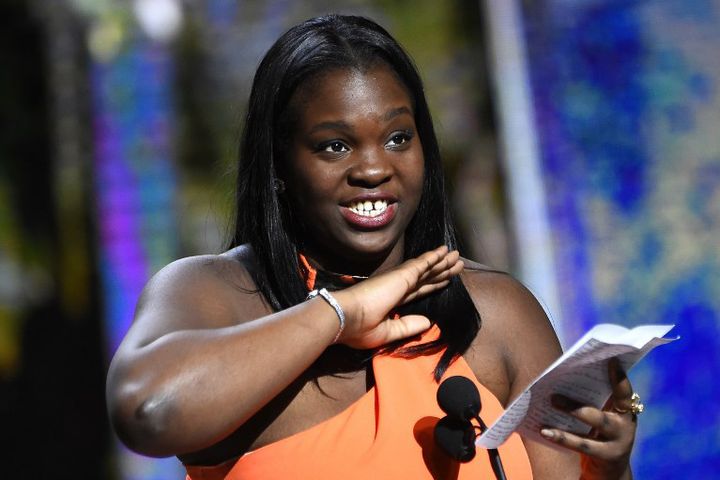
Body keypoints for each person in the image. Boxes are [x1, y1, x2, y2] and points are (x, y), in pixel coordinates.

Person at [106, 14, 639, 479]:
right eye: (335, 146)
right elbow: (149, 411)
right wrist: (338, 314)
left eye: (397, 138)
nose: (374, 168)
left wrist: (609, 468)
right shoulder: (216, 293)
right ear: (279, 167)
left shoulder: (495, 311)